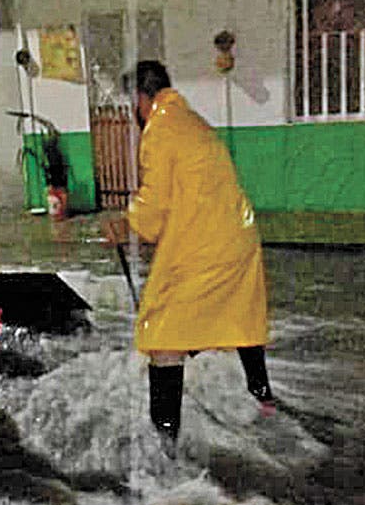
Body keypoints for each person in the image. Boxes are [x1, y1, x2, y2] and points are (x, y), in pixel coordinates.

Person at [103, 61, 275, 445]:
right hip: (239, 238)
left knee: (164, 334)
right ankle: (263, 397)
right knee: (241, 316)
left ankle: (165, 443)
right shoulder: (193, 122)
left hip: (206, 247)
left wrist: (125, 226)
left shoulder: (161, 129)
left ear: (140, 98)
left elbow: (154, 203)